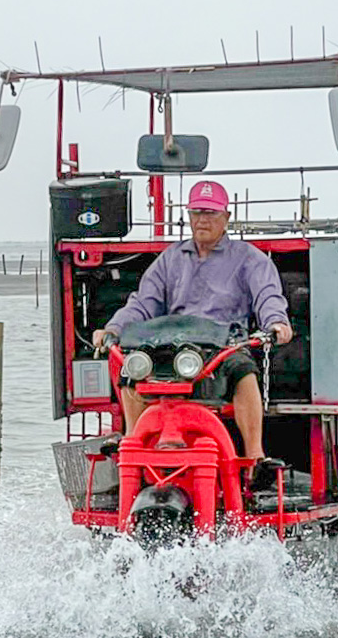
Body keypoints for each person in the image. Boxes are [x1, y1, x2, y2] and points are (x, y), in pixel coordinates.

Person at [90, 179, 293, 474]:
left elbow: (268, 296)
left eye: (211, 213)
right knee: (129, 371)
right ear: (188, 216)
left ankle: (254, 460)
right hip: (172, 346)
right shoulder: (170, 259)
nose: (203, 219)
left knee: (244, 372)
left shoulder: (250, 259)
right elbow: (143, 302)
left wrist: (276, 322)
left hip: (224, 345)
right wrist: (114, 328)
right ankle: (134, 451)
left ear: (227, 217)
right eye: (197, 212)